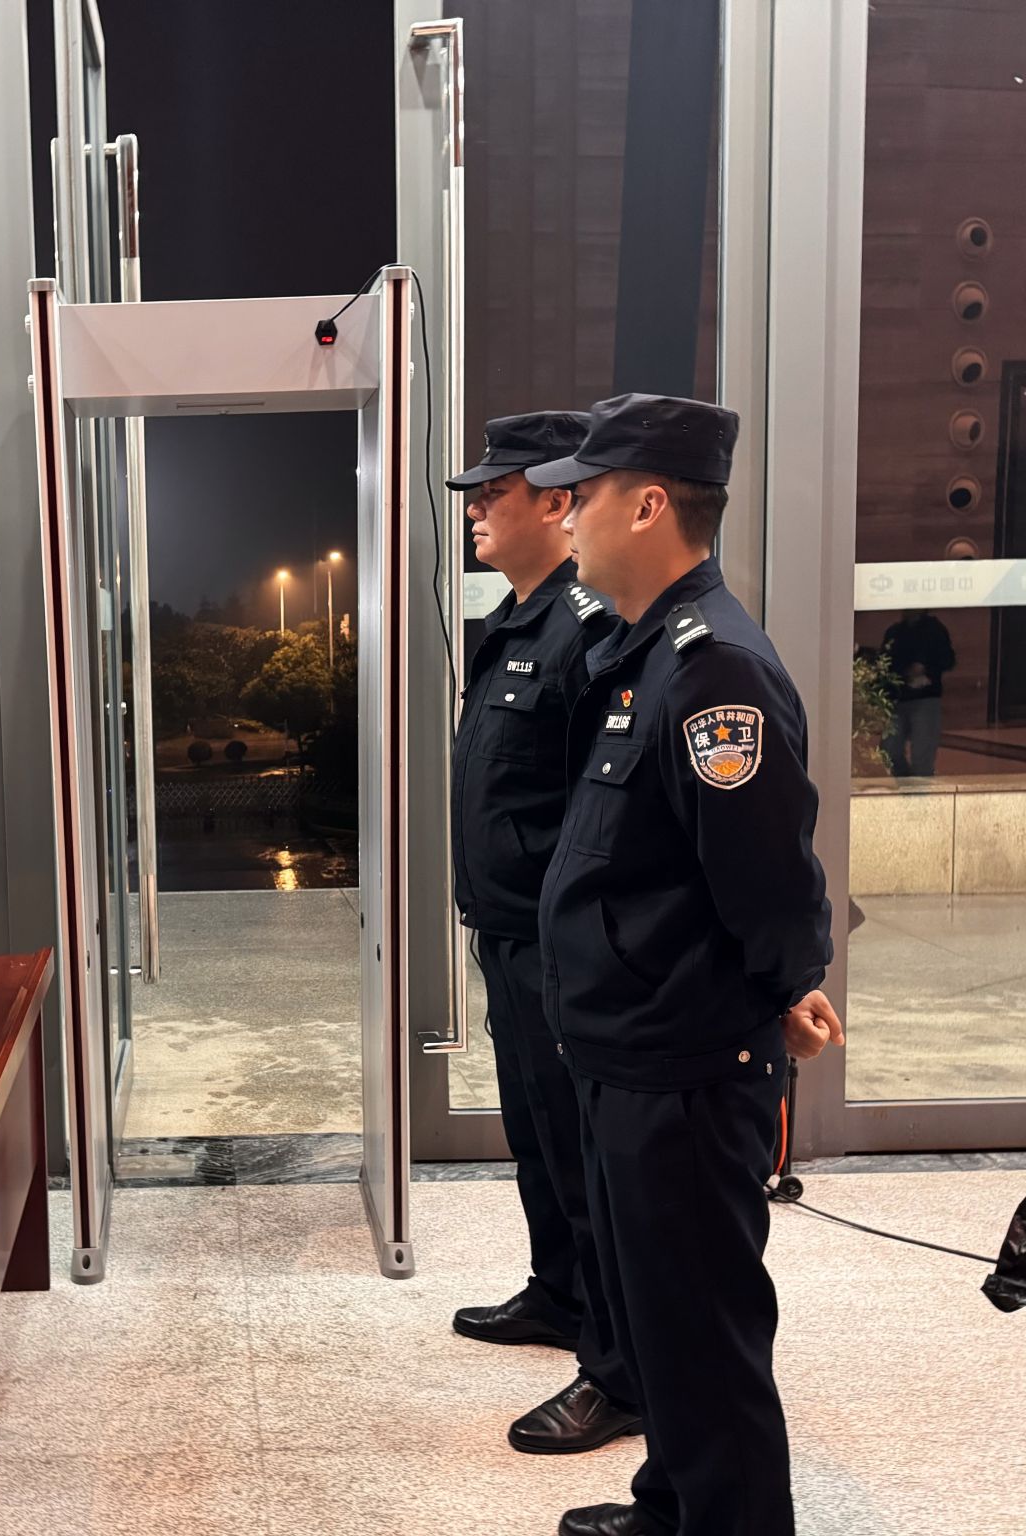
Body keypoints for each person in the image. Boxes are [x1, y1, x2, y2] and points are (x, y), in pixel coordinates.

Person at [525, 394, 844, 1536]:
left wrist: (784, 987)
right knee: (657, 1311)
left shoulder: (715, 671)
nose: (565, 515)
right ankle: (672, 1506)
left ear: (649, 503)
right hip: (629, 1048)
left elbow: (765, 878)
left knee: (703, 1326)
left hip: (686, 1063)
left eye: (583, 494)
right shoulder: (647, 650)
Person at [443, 411, 645, 1457]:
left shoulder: (588, 629)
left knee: (582, 1154)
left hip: (561, 947)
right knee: (536, 1135)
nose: (477, 508)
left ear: (558, 502)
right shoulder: (517, 621)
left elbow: (604, 811)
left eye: (496, 492)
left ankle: (616, 1371)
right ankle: (559, 1295)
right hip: (508, 932)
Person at [879, 610, 954, 776]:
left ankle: (919, 788)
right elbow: (884, 663)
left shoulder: (934, 629)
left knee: (922, 755)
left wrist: (926, 669)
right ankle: (905, 782)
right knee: (889, 749)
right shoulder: (895, 632)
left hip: (925, 698)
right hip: (897, 699)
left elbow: (948, 660)